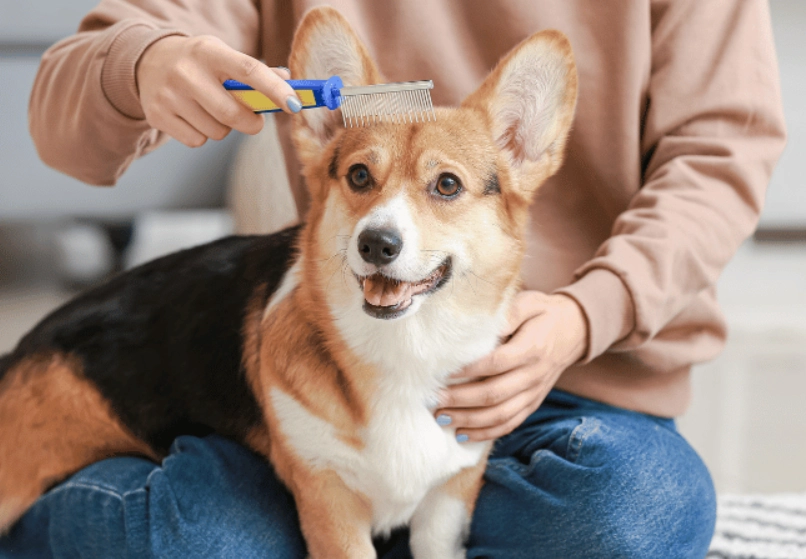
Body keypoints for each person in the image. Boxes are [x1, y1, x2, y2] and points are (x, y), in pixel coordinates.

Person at [6, 1, 785, 557]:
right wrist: (140, 64)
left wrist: (587, 314)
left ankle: (363, 523)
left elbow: (721, 156)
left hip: (572, 381)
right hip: (327, 375)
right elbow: (57, 121)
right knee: (203, 540)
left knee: (637, 510)